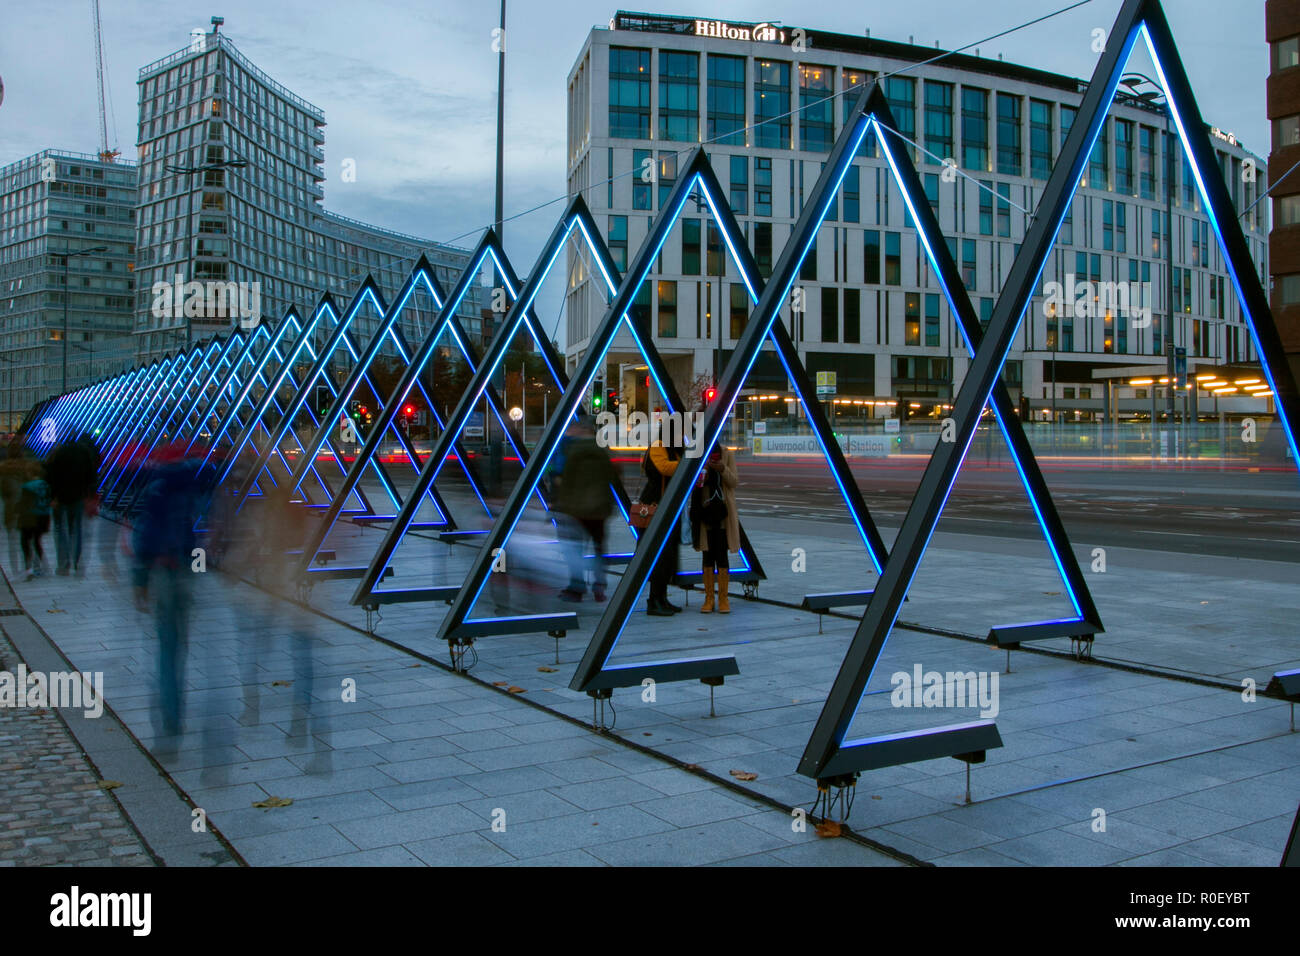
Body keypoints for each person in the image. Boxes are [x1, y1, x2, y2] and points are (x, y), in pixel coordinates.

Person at [131, 448, 202, 738]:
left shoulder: (156, 489)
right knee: (178, 645)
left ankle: (170, 715)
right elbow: (195, 537)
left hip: (162, 572)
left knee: (166, 648)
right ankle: (175, 709)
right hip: (184, 571)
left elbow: (145, 536)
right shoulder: (189, 488)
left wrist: (140, 581)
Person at [554, 415, 620, 602]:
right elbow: (614, 477)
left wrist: (562, 503)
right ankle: (599, 587)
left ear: (583, 429)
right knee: (599, 547)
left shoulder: (573, 450)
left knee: (575, 548)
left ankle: (577, 587)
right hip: (599, 509)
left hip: (577, 509)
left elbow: (565, 480)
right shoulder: (604, 449)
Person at [689, 443, 739, 613]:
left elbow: (734, 481)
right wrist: (702, 472)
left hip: (723, 515)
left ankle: (724, 599)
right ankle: (709, 598)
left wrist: (722, 468)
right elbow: (693, 484)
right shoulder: (698, 454)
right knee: (707, 555)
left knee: (722, 554)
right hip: (704, 513)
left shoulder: (727, 454)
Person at [641, 436, 683, 616]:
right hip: (655, 506)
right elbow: (663, 468)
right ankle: (654, 600)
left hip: (669, 506)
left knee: (669, 556)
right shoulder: (658, 446)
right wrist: (686, 465)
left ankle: (662, 598)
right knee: (659, 556)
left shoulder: (673, 449)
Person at [47, 435, 96, 575]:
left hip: (60, 496)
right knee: (76, 529)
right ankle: (77, 561)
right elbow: (91, 476)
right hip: (78, 496)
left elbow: (51, 476)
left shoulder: (58, 453)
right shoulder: (84, 453)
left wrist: (53, 497)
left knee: (59, 529)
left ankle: (63, 564)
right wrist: (89, 495)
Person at [16, 460, 52, 579]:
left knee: (25, 541)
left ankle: (28, 568)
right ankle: (41, 565)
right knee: (37, 541)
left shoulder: (27, 486)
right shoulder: (45, 485)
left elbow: (23, 504)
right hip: (43, 517)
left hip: (29, 517)